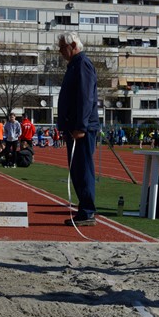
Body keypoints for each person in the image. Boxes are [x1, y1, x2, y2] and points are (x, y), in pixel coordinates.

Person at [57, 31, 100, 226]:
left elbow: (85, 97)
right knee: (76, 169)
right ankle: (85, 210)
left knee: (82, 169)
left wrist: (81, 126)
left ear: (73, 46)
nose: (59, 52)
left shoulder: (82, 64)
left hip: (81, 128)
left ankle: (88, 211)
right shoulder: (74, 65)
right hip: (74, 127)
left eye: (62, 48)